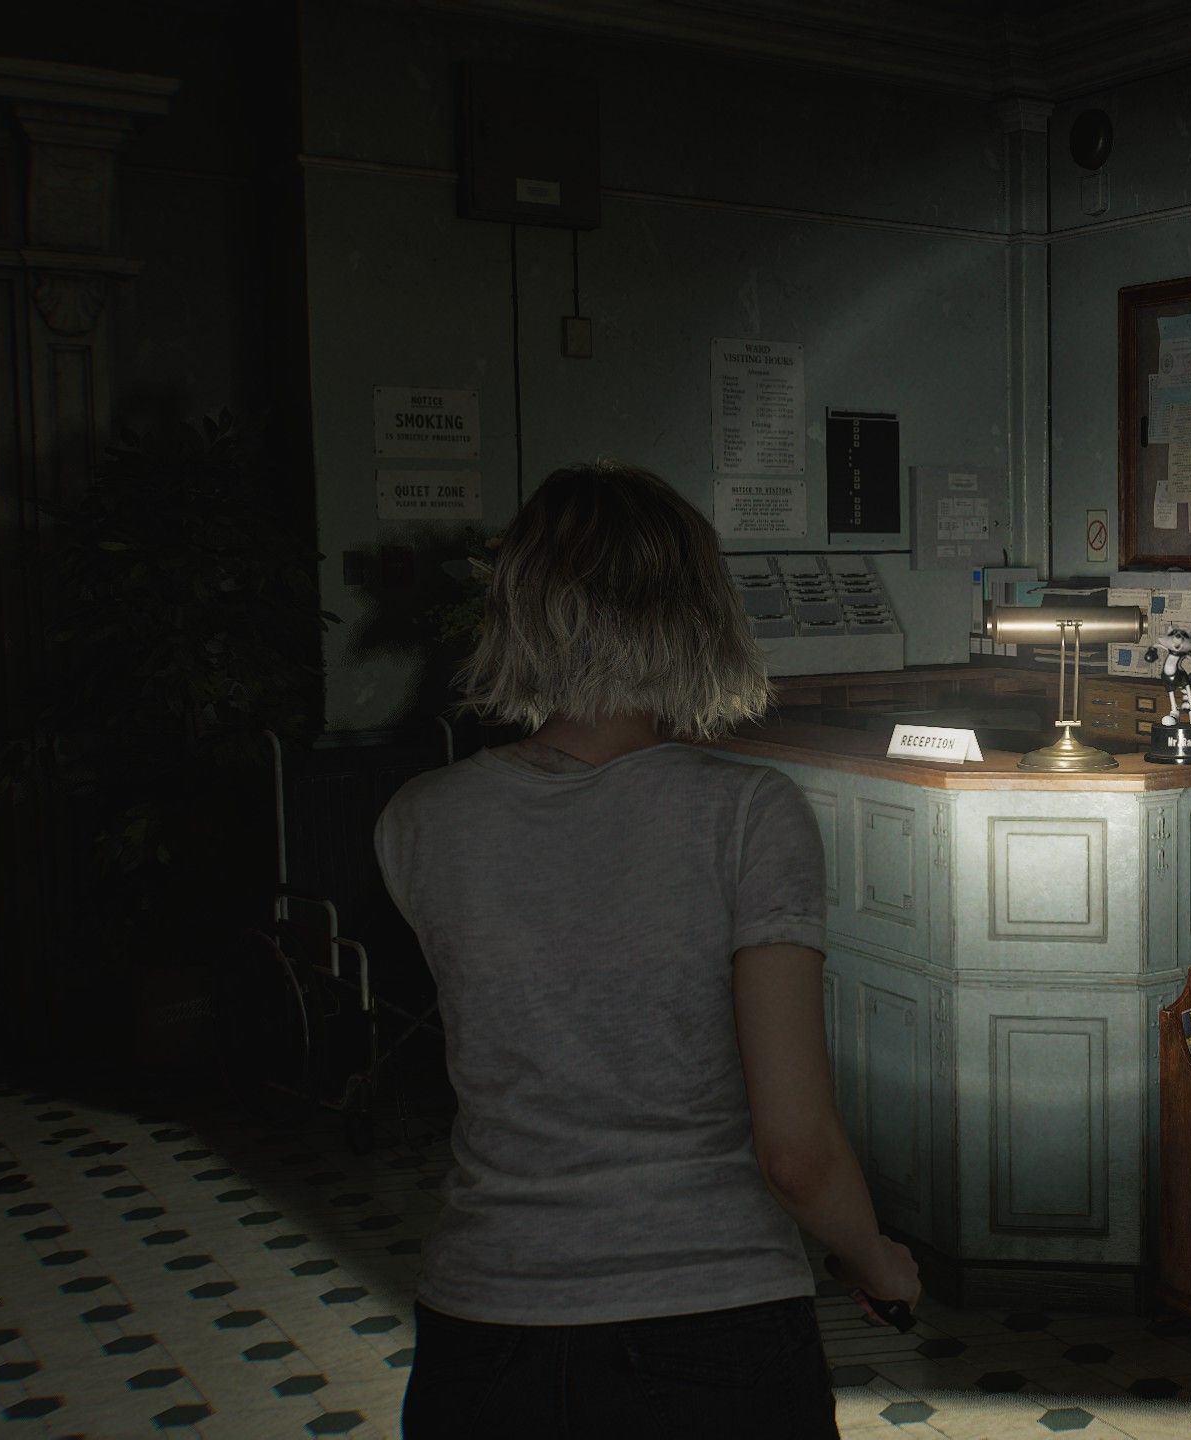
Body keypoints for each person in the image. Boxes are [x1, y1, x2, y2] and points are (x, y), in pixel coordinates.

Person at [375, 461, 920, 1438]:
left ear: (517, 610)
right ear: (697, 614)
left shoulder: (419, 821)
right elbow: (795, 1151)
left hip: (485, 1329)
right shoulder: (747, 814)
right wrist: (876, 1261)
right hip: (711, 1322)